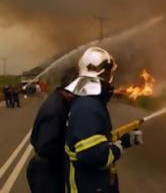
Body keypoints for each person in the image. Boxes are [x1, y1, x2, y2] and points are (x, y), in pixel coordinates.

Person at [65, 47, 143, 193]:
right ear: (105, 74)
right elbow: (92, 155)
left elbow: (96, 140)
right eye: (109, 74)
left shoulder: (87, 102)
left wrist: (124, 141)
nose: (110, 80)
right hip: (89, 186)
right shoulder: (88, 107)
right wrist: (118, 148)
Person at [26, 67, 78, 193]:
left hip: (49, 170)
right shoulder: (55, 109)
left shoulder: (60, 101)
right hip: (46, 174)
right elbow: (45, 147)